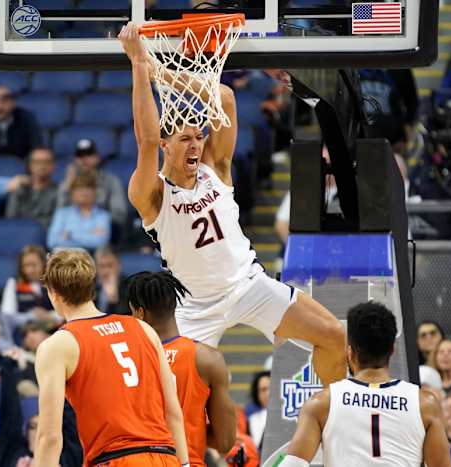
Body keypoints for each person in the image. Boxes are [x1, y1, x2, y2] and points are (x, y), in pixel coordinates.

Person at [118, 22, 346, 385]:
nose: (195, 145)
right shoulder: (153, 194)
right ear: (166, 145)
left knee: (334, 336)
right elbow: (145, 139)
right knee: (167, 395)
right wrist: (140, 65)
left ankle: (328, 425)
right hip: (195, 307)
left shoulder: (215, 169)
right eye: (184, 139)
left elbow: (223, 97)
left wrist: (163, 71)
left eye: (199, 137)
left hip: (248, 285)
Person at [33, 249, 190, 466]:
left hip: (115, 459)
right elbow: (173, 411)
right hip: (165, 457)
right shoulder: (142, 328)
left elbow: (49, 437)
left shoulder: (58, 345)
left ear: (54, 294)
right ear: (92, 286)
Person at [281, 302, 451, 467]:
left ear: (350, 352)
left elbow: (293, 464)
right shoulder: (425, 404)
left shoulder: (322, 403)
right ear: (392, 349)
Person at [127, 271, 237, 465]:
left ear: (140, 312)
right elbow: (225, 441)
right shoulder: (207, 358)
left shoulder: (124, 358)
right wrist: (192, 430)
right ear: (174, 306)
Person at [56, 138, 128, 229]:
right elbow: (60, 213)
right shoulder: (68, 182)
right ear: (75, 159)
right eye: (80, 156)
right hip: (72, 230)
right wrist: (68, 186)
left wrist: (93, 220)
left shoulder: (111, 181)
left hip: (103, 229)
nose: (84, 159)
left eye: (89, 154)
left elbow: (119, 215)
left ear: (97, 158)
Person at [47, 172, 112, 252]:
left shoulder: (103, 216)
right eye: (79, 189)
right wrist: (90, 235)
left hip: (92, 258)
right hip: (65, 258)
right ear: (72, 193)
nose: (84, 193)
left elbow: (101, 242)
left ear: (95, 192)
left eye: (88, 188)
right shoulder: (62, 213)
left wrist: (70, 236)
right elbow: (52, 242)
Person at [6, 147, 58, 226]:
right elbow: (11, 219)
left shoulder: (60, 191)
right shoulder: (19, 190)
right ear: (30, 165)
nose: (42, 166)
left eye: (47, 162)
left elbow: (59, 222)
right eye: (37, 162)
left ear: (53, 166)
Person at [1, 245, 54, 318]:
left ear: (44, 264)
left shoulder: (53, 283)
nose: (30, 270)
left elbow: (65, 313)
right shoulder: (13, 283)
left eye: (34, 265)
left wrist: (49, 316)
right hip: (23, 327)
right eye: (26, 265)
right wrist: (31, 316)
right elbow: (8, 315)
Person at [245, 371, 270, 448]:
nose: (268, 393)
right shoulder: (248, 416)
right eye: (263, 389)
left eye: (271, 388)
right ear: (257, 393)